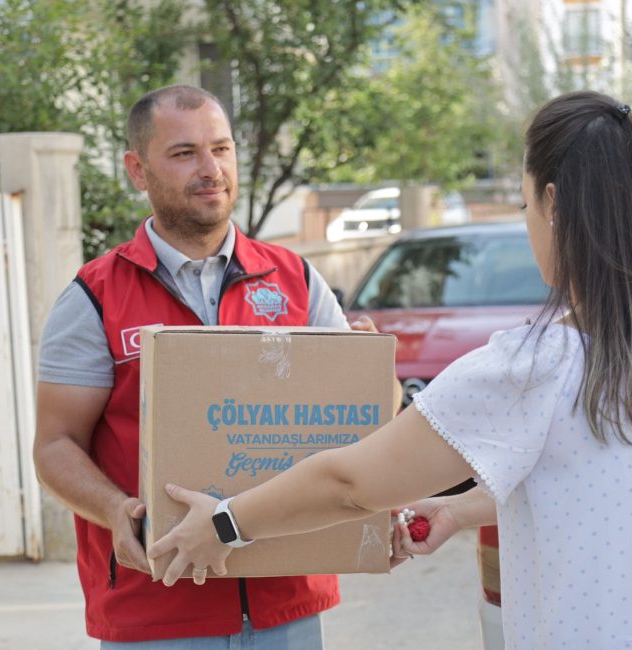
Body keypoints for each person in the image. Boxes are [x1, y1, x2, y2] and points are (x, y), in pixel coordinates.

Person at [149, 91, 632, 650]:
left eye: (524, 206)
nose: (528, 223)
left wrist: (227, 521)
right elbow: (624, 479)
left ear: (554, 204)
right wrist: (466, 510)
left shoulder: (540, 365)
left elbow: (352, 482)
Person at [33, 84, 381, 647]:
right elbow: (54, 444)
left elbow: (356, 424)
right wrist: (112, 508)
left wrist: (372, 374)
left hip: (285, 602)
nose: (210, 168)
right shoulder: (94, 297)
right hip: (156, 608)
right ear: (137, 170)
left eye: (221, 149)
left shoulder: (296, 280)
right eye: (184, 153)